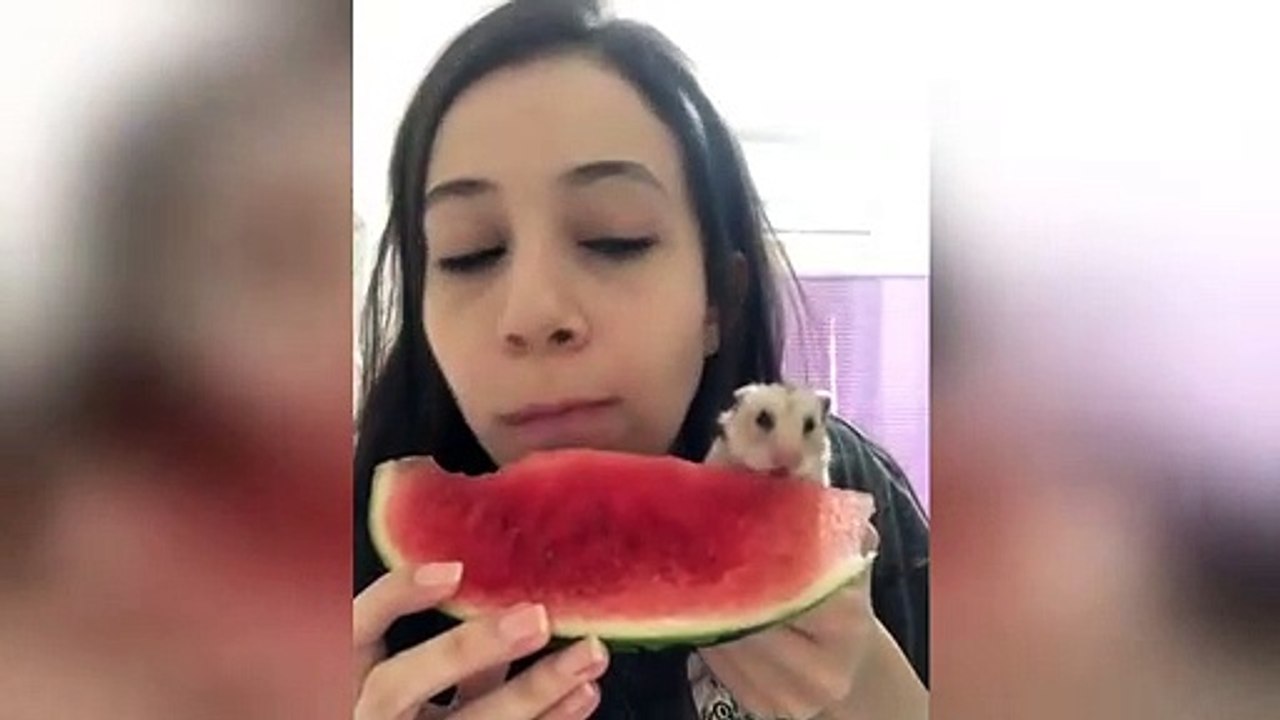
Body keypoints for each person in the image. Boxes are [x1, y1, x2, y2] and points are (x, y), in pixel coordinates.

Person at [352, 1, 929, 718]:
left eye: (614, 239)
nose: (532, 314)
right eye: (470, 253)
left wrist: (882, 699)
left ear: (719, 300)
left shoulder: (840, 484)